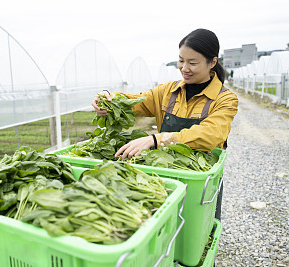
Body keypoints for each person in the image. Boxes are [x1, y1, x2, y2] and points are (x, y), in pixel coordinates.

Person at [92, 28, 239, 220]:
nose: (184, 68)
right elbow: (135, 102)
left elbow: (211, 134)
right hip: (164, 173)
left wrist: (157, 140)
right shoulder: (168, 91)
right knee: (165, 222)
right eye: (181, 60)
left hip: (199, 178)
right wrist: (109, 99)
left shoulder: (225, 99)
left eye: (192, 62)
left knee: (199, 225)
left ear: (212, 62)